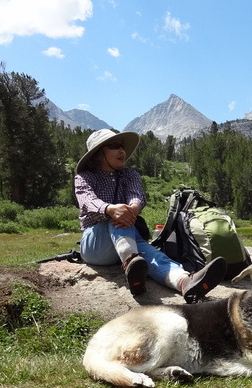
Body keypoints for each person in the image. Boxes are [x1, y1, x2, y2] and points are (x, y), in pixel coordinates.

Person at [73, 128, 226, 301]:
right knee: (117, 218)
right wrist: (110, 209)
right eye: (115, 146)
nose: (122, 151)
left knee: (151, 253)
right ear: (99, 154)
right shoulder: (84, 177)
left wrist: (133, 208)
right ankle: (132, 261)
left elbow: (136, 196)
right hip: (95, 245)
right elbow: (86, 200)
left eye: (122, 146)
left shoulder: (130, 174)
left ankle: (184, 282)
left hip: (126, 241)